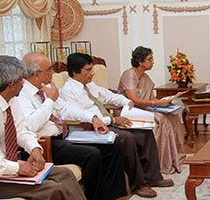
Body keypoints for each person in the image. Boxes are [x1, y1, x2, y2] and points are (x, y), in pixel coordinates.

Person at [0, 55, 85, 200]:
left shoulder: (9, 98)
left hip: (7, 167)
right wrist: (17, 168)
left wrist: (34, 149)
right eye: (21, 79)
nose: (24, 83)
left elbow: (21, 130)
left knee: (65, 174)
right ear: (11, 84)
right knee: (52, 189)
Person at [12, 52, 127, 200]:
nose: (53, 72)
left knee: (112, 143)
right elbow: (31, 125)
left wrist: (92, 117)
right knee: (92, 155)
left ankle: (115, 195)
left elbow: (65, 109)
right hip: (45, 144)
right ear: (36, 74)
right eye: (49, 69)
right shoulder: (22, 95)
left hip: (64, 136)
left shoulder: (45, 88)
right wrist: (50, 101)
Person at [60, 53, 173, 198]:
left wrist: (126, 102)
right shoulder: (68, 91)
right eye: (88, 70)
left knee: (144, 131)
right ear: (75, 72)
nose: (92, 73)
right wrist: (112, 120)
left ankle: (153, 177)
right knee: (127, 138)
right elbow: (78, 115)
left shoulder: (90, 85)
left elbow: (108, 95)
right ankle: (138, 185)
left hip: (107, 122)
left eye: (92, 69)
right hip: (90, 129)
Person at [118, 46, 186, 174]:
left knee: (174, 116)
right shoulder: (129, 75)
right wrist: (157, 103)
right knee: (160, 119)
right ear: (140, 62)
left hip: (144, 109)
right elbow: (134, 100)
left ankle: (174, 158)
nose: (153, 61)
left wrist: (165, 103)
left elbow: (151, 99)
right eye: (150, 59)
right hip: (128, 111)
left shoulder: (146, 78)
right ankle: (160, 162)